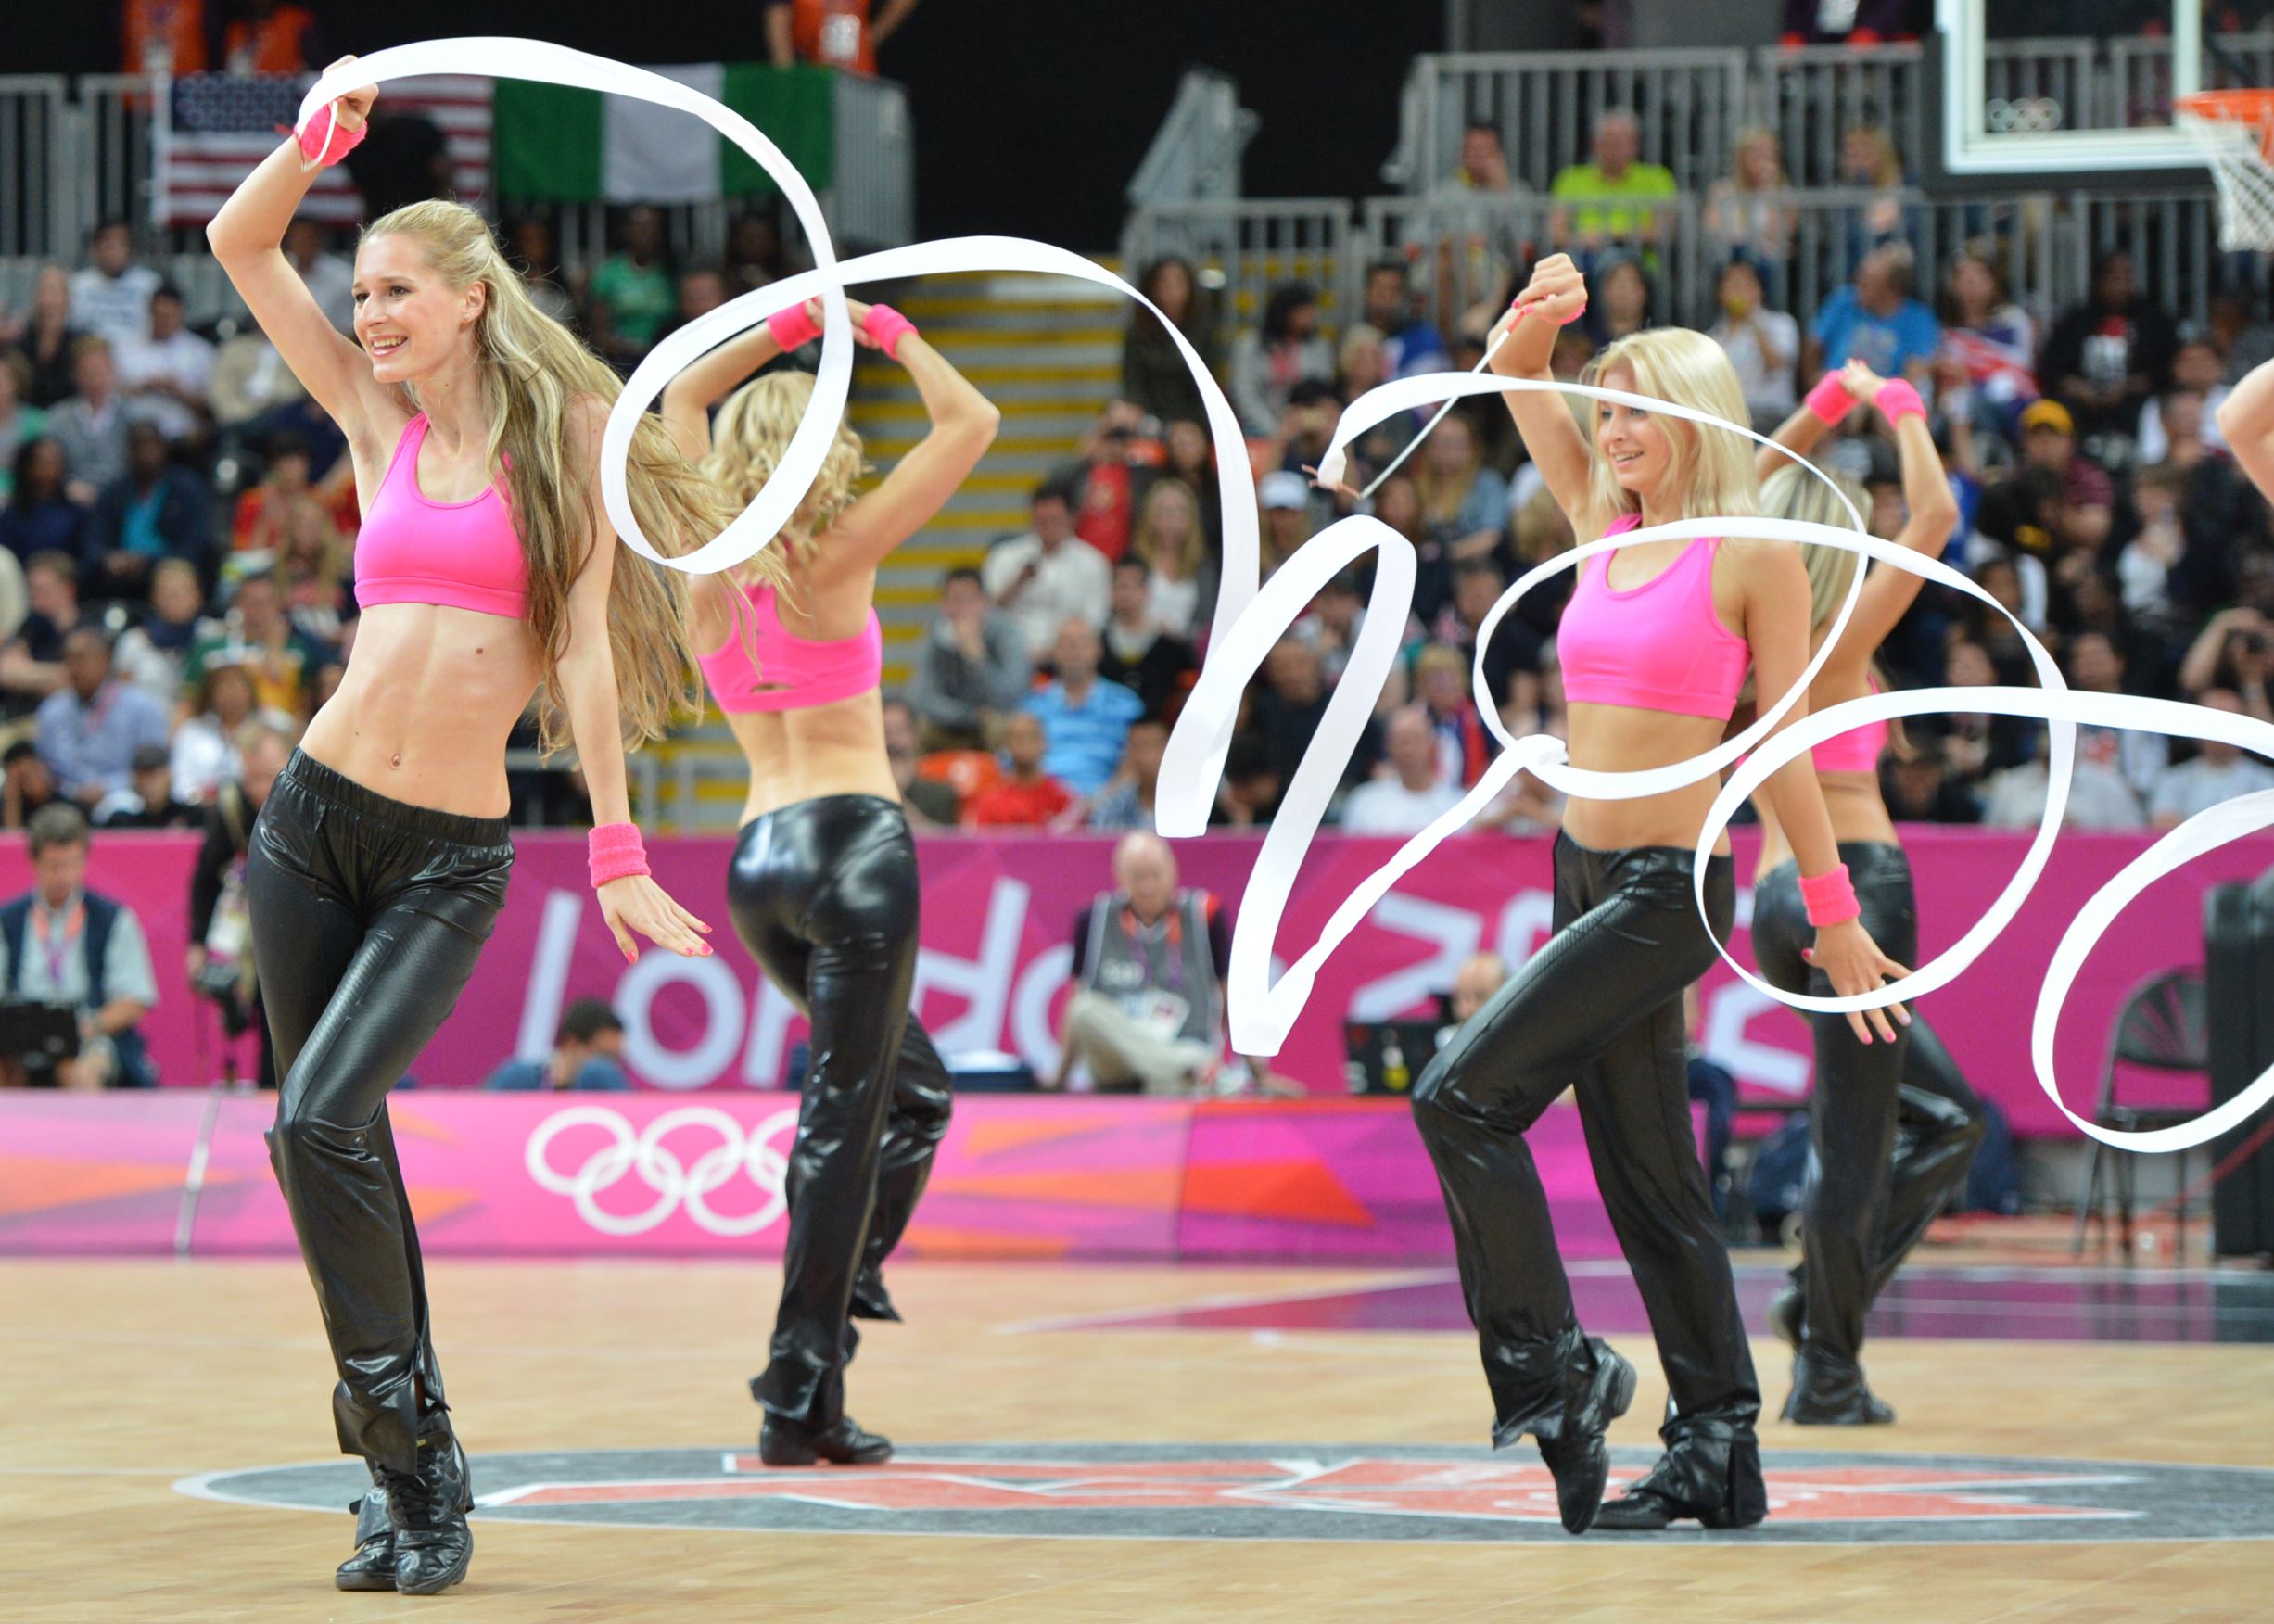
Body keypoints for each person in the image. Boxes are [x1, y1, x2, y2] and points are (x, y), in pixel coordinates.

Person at [209, 59, 722, 1595]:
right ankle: (408, 1473)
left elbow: (575, 651)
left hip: (446, 857)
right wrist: (314, 146)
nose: (367, 315)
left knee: (314, 1122)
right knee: (330, 1139)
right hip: (308, 826)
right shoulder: (371, 418)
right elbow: (240, 248)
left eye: (393, 292)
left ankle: (410, 1456)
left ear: (471, 301)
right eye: (360, 292)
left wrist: (618, 845)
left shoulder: (562, 436)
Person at [1412, 257, 1909, 1537]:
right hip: (1580, 866)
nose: (1612, 429)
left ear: (1694, 417)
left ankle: (1556, 1372)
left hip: (1668, 888)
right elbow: (1510, 372)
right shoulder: (1596, 520)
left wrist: (1834, 904)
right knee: (1650, 1179)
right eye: (1608, 408)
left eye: (1636, 409)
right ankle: (1717, 1447)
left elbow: (1783, 740)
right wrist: (1538, 314)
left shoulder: (1754, 555)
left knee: (1459, 1096)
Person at [661, 285, 992, 1469]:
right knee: (849, 1117)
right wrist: (883, 332)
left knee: (907, 1098)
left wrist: (787, 329)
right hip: (853, 842)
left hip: (756, 862)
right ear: (819, 453)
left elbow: (684, 391)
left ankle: (825, 1333)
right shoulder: (836, 551)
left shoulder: (700, 572)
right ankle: (798, 1380)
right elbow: (972, 424)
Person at [1744, 359, 1989, 1424]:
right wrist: (1896, 406)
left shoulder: (1739, 625)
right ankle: (1827, 1369)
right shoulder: (1833, 637)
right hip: (1850, 889)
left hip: (1771, 902)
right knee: (1863, 1141)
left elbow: (1743, 485)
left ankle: (1817, 1306)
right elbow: (1935, 508)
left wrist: (1818, 410)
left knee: (1942, 1122)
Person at [1048, 831, 1229, 1094]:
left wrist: (1258, 1071)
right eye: (1137, 877)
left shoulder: (1205, 914)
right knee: (1082, 1008)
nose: (1147, 886)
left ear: (1173, 872)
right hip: (1118, 1062)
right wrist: (1059, 1079)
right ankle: (1185, 1070)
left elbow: (1230, 997)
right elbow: (1074, 1000)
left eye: (1155, 874)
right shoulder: (1093, 917)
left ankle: (1173, 1072)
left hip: (1184, 1042)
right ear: (1119, 877)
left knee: (1166, 1083)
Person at [0, 802, 159, 1088]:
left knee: (78, 1068)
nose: (63, 876)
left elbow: (134, 1000)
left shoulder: (113, 918)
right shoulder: (7, 920)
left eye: (72, 864)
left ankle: (81, 1133)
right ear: (34, 862)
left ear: (85, 860)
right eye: (54, 866)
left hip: (88, 1031)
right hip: (21, 1034)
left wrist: (88, 1026)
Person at [186, 722, 294, 1090]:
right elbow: (204, 880)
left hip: (298, 928)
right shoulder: (232, 808)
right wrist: (197, 944)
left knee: (285, 1025)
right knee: (248, 1008)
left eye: (267, 777)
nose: (259, 791)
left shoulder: (310, 805)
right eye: (250, 779)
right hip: (247, 924)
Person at [2040, 247, 2177, 442]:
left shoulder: (2154, 320)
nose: (2120, 284)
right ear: (2099, 280)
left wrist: (2128, 387)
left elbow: (2167, 367)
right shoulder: (2077, 320)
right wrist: (2080, 389)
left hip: (2135, 400)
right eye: (2112, 276)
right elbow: (2051, 367)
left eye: (2126, 276)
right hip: (2082, 401)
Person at [35, 628, 172, 806]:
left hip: (126, 799)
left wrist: (108, 787)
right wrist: (76, 790)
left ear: (106, 661)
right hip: (65, 799)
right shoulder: (52, 710)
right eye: (69, 660)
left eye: (82, 660)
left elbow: (153, 765)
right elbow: (47, 768)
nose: (74, 669)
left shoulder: (142, 707)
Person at [980, 480, 1112, 656]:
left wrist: (1057, 650)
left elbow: (1095, 620)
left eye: (1055, 520)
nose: (1048, 527)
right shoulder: (1005, 556)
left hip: (1068, 655)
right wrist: (1016, 585)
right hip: (1012, 654)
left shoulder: (1093, 564)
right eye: (1042, 521)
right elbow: (984, 612)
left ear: (1072, 517)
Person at [906, 565, 1028, 750]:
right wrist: (969, 715)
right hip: (951, 721)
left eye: (969, 600)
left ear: (984, 602)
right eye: (955, 600)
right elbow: (921, 697)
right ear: (944, 604)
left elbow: (1010, 697)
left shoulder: (1007, 633)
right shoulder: (935, 635)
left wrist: (977, 660)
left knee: (1005, 725)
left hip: (991, 723)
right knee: (912, 728)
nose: (962, 610)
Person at [89, 422, 212, 600]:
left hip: (168, 571)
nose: (146, 455)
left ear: (163, 449)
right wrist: (108, 558)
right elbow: (94, 539)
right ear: (128, 452)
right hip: (120, 577)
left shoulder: (187, 489)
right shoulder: (113, 493)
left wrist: (150, 563)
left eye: (152, 446)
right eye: (139, 447)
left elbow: (194, 543)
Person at [1023, 617, 1143, 799]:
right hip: (1042, 810)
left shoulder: (1125, 704)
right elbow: (1013, 765)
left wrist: (1100, 803)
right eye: (1066, 644)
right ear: (1054, 652)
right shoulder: (1031, 706)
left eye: (1082, 643)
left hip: (1108, 812)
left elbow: (1138, 764)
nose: (1074, 651)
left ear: (1099, 650)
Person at [1547, 109, 1677, 256]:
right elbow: (1555, 233)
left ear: (1636, 145)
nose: (1612, 147)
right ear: (1594, 144)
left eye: (1620, 141)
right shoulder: (1570, 178)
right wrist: (1583, 240)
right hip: (1581, 256)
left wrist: (1611, 237)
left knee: (1618, 262)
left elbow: (1662, 232)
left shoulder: (1657, 178)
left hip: (1634, 259)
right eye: (1607, 139)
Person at [1806, 246, 1938, 387]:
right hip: (1837, 388)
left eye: (1868, 282)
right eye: (1860, 277)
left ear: (1892, 289)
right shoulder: (1843, 302)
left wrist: (1876, 396)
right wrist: (1813, 380)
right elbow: (1813, 345)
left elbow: (1915, 372)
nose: (1858, 285)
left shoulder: (1918, 320)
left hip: (1883, 397)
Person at [2149, 691, 2274, 827]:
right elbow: (2162, 826)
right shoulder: (2172, 781)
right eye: (2213, 724)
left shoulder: (2267, 783)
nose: (2219, 733)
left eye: (2229, 723)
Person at [113, 285, 216, 449]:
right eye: (159, 315)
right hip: (133, 435)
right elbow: (110, 394)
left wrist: (177, 390)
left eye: (170, 316)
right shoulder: (124, 348)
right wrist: (145, 386)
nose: (164, 321)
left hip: (181, 437)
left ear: (181, 314)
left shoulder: (200, 352)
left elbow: (210, 408)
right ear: (149, 311)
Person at [1098, 556, 1198, 719]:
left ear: (1146, 590)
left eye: (1134, 586)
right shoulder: (1098, 644)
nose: (1126, 594)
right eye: (1121, 586)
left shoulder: (1169, 645)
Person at [1228, 283, 1334, 437]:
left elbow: (1323, 388)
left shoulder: (1319, 347)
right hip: (1258, 426)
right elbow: (1243, 392)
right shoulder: (1250, 345)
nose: (1310, 318)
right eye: (1303, 312)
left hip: (1305, 429)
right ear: (1286, 312)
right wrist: (1274, 429)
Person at [1120, 257, 1215, 426]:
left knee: (1186, 443)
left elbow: (1207, 388)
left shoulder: (1203, 332)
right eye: (1164, 282)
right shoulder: (1139, 332)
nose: (1171, 289)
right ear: (1153, 287)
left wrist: (1191, 423)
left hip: (1193, 419)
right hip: (1147, 416)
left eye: (1178, 282)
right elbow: (1132, 383)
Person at [1340, 704, 1464, 834]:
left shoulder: (1459, 805)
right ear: (1388, 747)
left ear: (1433, 746)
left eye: (1417, 739)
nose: (1408, 750)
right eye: (1401, 741)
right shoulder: (1364, 803)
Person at [1708, 255, 1798, 426]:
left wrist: (1752, 319)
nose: (1740, 291)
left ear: (1759, 289)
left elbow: (1776, 363)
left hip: (1774, 417)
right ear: (1720, 294)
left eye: (1746, 284)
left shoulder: (1782, 324)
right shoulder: (1713, 338)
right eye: (1733, 285)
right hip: (1731, 420)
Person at [587, 205, 677, 367]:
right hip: (622, 361)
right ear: (626, 231)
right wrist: (634, 348)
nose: (644, 233)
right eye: (638, 227)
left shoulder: (671, 273)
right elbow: (599, 333)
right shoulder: (609, 273)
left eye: (651, 227)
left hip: (667, 361)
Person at [482, 999, 630, 1091]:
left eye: (614, 1060)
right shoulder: (518, 1079)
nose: (609, 1067)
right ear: (571, 1043)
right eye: (603, 1056)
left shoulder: (607, 1086)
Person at [963, 709, 1078, 829]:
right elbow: (980, 843)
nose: (1025, 744)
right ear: (1006, 745)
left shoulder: (1063, 797)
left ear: (1044, 743)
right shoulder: (990, 800)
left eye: (1032, 737)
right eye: (1017, 738)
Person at [68, 222, 160, 351]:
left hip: (139, 358)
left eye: (120, 245)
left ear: (130, 249)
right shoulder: (77, 284)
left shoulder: (150, 284)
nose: (113, 251)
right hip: (89, 358)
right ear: (94, 249)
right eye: (108, 245)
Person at [765, 0, 921, 73]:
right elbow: (778, 12)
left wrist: (874, 35)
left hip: (858, 75)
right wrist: (786, 74)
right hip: (808, 72)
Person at [880, 696, 960, 828]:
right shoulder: (863, 794)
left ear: (915, 736)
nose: (893, 740)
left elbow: (945, 844)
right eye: (886, 732)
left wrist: (896, 795)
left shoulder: (940, 794)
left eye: (900, 730)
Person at [1087, 716, 1169, 831]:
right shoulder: (1115, 804)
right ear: (1128, 752)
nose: (1148, 757)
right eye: (1139, 746)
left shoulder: (1192, 804)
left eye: (1155, 745)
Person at [95, 742, 202, 829]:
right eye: (144, 776)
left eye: (156, 776)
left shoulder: (192, 817)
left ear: (169, 776)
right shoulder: (122, 823)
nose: (150, 784)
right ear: (134, 779)